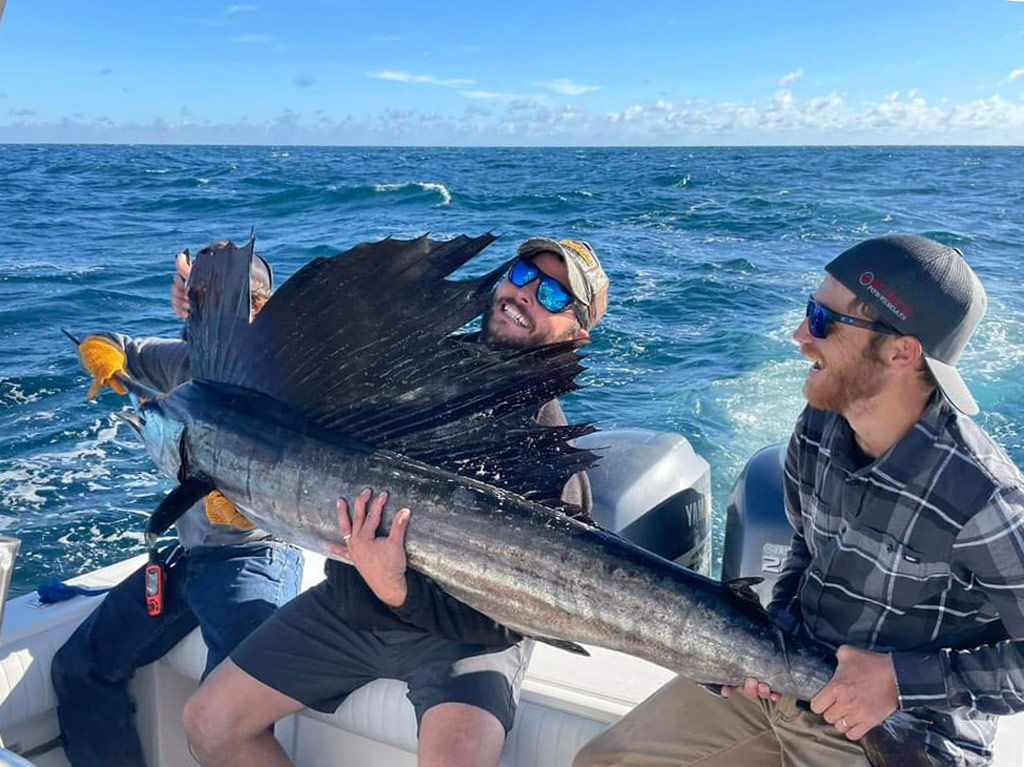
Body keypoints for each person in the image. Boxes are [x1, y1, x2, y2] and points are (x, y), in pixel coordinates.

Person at [574, 234, 1024, 767]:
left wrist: (897, 684)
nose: (798, 335)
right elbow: (806, 551)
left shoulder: (984, 499)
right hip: (790, 679)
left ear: (902, 351)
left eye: (822, 320)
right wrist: (773, 634)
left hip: (902, 730)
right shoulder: (819, 426)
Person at [180, 237, 610, 767]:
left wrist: (397, 588)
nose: (524, 296)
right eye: (523, 275)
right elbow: (287, 372)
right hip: (349, 606)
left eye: (553, 295)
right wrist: (210, 319)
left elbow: (524, 614)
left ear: (577, 334)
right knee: (209, 723)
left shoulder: (541, 451)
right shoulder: (404, 366)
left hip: (463, 637)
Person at [52, 246, 305, 767]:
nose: (228, 316)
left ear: (264, 310)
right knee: (79, 668)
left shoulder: (286, 379)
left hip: (255, 558)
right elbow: (112, 344)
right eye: (204, 302)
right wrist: (103, 355)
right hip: (187, 556)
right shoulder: (180, 360)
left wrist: (251, 505)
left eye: (246, 304)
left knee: (227, 721)